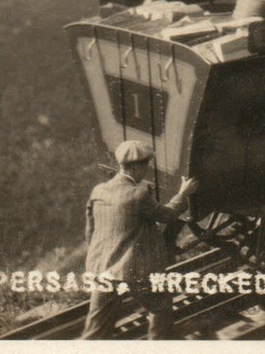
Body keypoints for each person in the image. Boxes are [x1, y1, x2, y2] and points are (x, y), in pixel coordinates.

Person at [81, 139, 198, 340]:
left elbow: (90, 231)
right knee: (160, 307)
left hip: (102, 269)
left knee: (96, 326)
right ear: (136, 166)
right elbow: (167, 215)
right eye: (145, 164)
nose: (146, 169)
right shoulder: (138, 193)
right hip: (133, 270)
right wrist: (183, 194)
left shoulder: (98, 191)